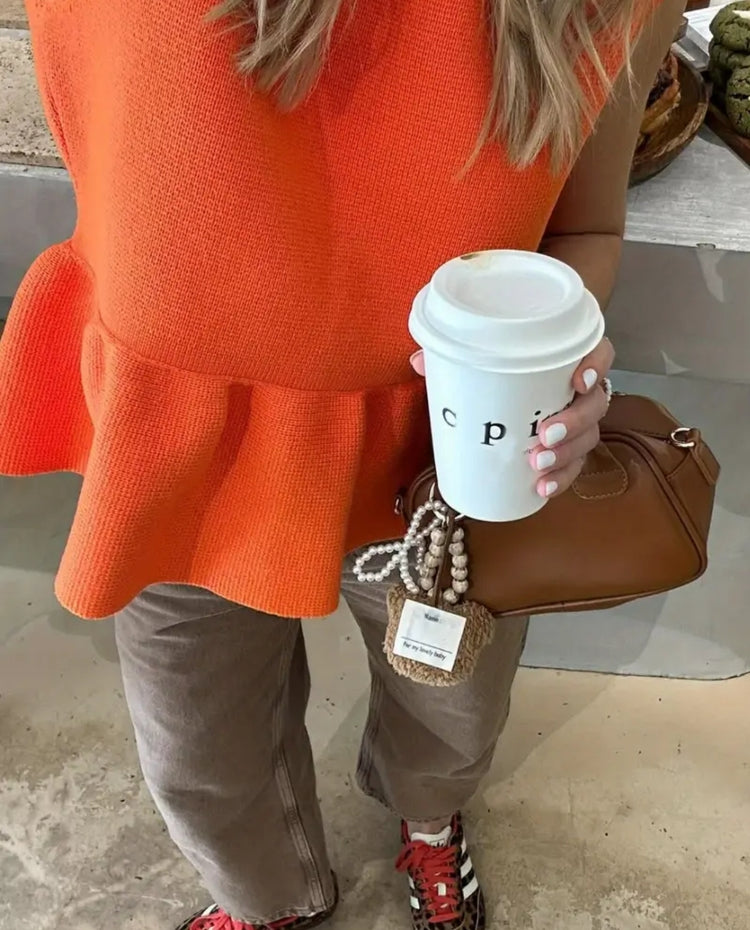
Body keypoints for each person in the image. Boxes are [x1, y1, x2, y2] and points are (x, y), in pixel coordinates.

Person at [0, 0, 684, 928]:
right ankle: (268, 901)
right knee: (196, 747)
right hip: (178, 439)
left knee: (452, 709)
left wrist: (557, 363)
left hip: (448, 445)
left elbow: (584, 230)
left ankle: (428, 821)